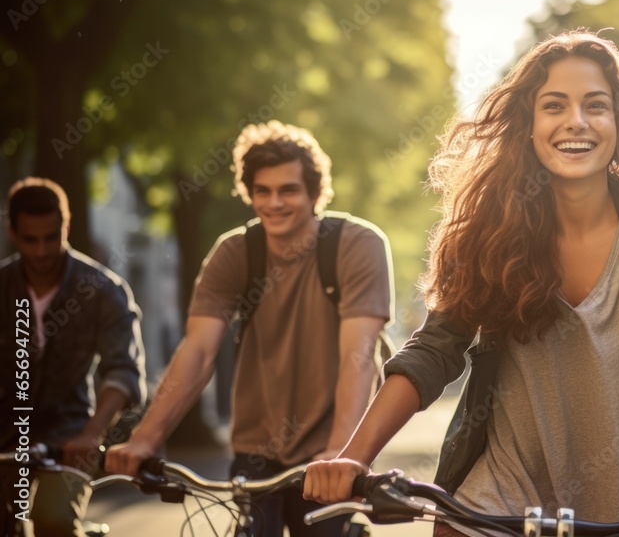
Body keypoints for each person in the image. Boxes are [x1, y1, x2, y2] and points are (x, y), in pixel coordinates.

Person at [302, 30, 619, 537]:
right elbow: (433, 350)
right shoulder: (492, 233)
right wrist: (353, 458)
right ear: (529, 125)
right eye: (554, 105)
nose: (575, 121)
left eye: (595, 105)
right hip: (494, 504)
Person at [105, 121, 394, 537]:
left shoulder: (356, 245)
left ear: (315, 192)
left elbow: (359, 353)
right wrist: (144, 438)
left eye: (288, 190)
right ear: (249, 193)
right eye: (263, 191)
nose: (274, 203)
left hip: (330, 446)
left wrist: (342, 450)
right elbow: (198, 352)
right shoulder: (234, 252)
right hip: (256, 450)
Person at [1, 177, 146, 537]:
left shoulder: (102, 291)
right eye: (30, 239)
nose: (41, 251)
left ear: (66, 226)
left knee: (54, 521)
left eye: (52, 237)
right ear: (13, 232)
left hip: (70, 434)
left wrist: (91, 434)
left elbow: (123, 371)